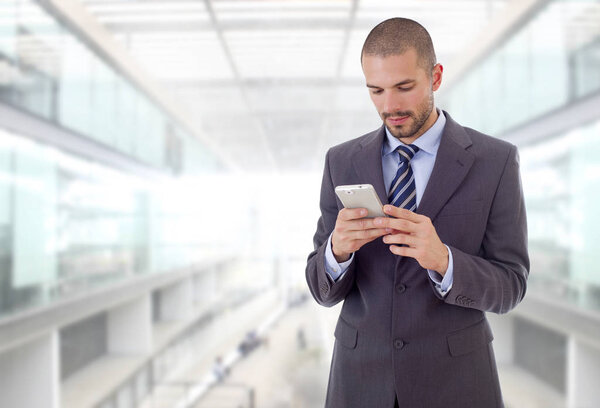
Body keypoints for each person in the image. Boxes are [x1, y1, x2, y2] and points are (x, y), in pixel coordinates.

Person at [305, 17, 529, 408]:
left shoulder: (495, 161)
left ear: (436, 77)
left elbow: (511, 286)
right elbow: (320, 288)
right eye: (375, 90)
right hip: (359, 383)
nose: (389, 105)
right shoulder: (340, 162)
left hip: (456, 385)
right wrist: (336, 253)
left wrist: (444, 260)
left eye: (404, 87)